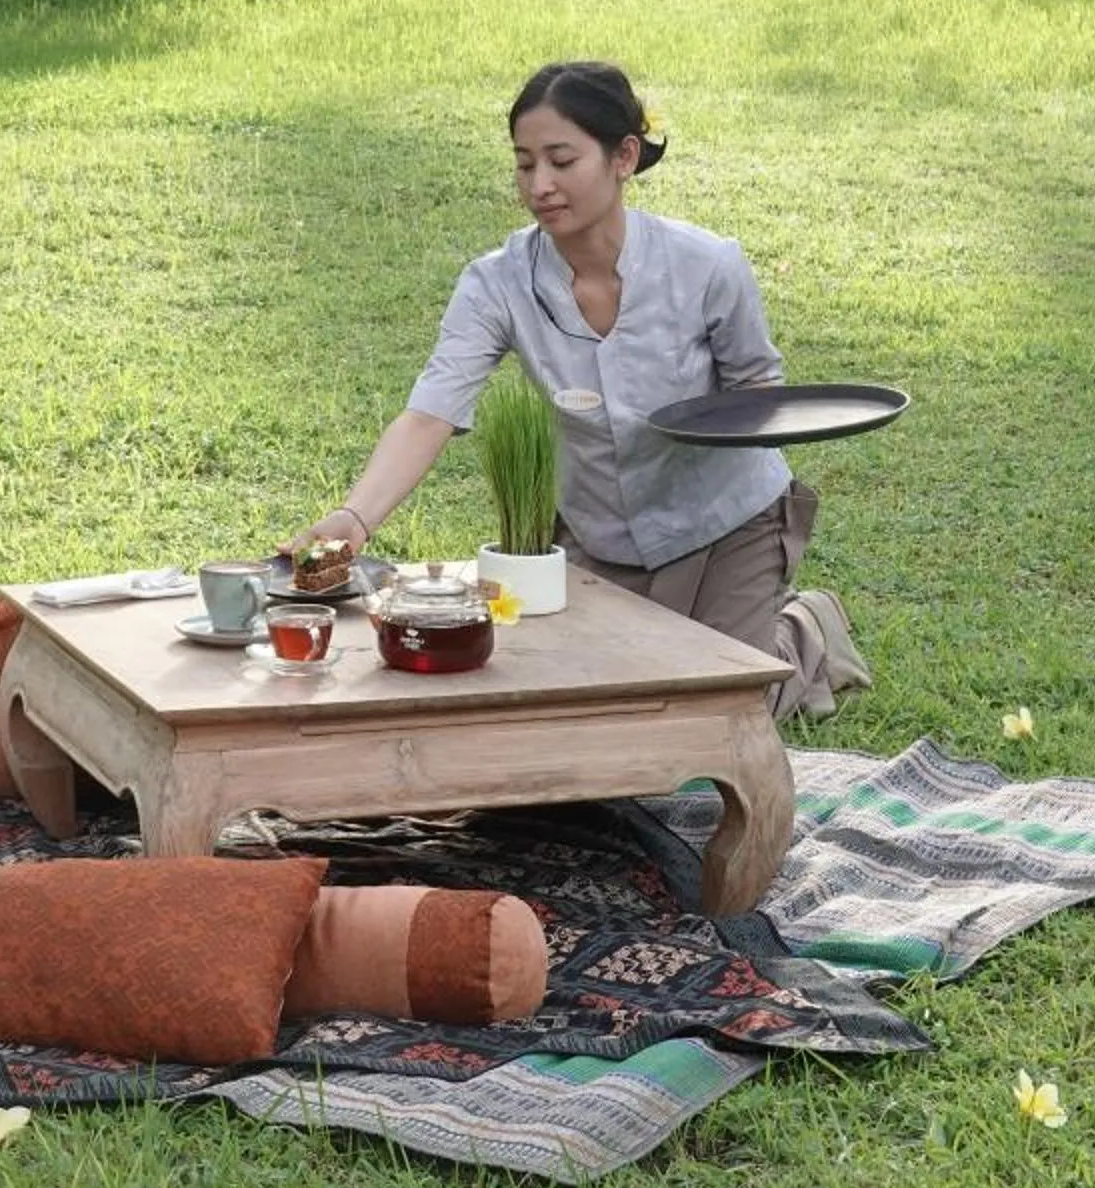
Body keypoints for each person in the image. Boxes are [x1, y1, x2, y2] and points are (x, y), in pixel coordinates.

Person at [291, 61, 871, 719]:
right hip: (598, 534)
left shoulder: (707, 265)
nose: (540, 185)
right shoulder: (496, 284)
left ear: (624, 156)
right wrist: (354, 518)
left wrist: (735, 416)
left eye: (561, 160)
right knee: (597, 711)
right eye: (523, 164)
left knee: (716, 713)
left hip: (726, 522)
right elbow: (431, 412)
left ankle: (805, 630)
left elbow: (758, 385)